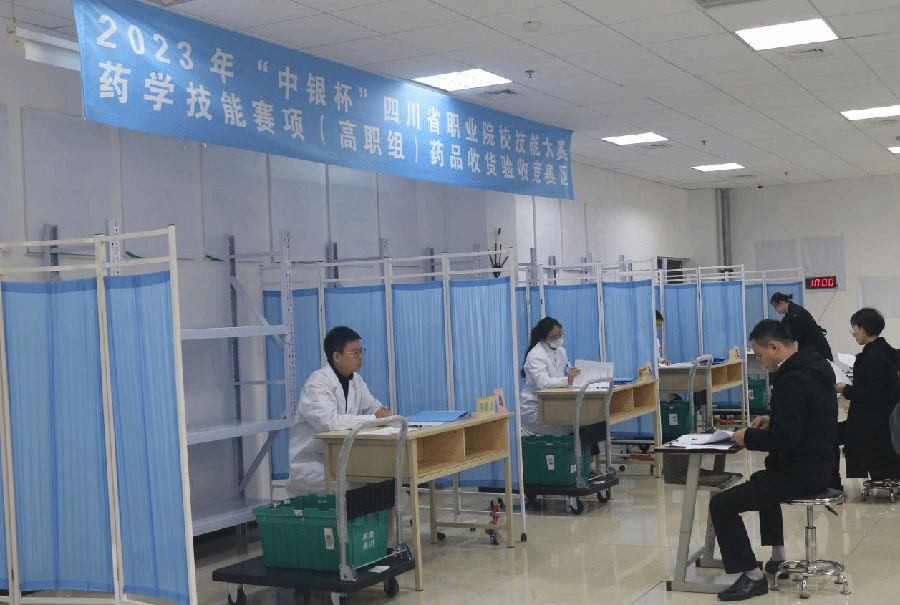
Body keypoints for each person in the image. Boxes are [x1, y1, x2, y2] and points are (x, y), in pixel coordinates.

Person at [709, 319, 837, 601]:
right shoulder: (813, 368)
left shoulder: (793, 379)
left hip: (801, 473)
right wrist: (772, 420)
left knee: (721, 504)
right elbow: (806, 420)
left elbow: (785, 440)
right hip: (819, 466)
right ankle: (778, 558)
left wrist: (747, 437)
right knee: (762, 480)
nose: (760, 361)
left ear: (775, 347)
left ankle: (752, 577)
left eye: (759, 354)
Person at [287, 326, 391, 496]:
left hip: (340, 461)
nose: (360, 357)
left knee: (386, 481)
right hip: (314, 467)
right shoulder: (316, 384)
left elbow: (372, 406)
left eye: (361, 352)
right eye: (354, 353)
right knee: (367, 486)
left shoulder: (355, 380)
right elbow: (330, 423)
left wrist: (380, 411)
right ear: (337, 356)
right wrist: (374, 418)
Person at [834, 308, 900, 484]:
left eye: (854, 329)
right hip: (885, 421)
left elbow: (872, 394)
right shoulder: (884, 351)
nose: (853, 334)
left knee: (831, 435)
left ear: (863, 328)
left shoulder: (873, 358)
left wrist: (844, 389)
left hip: (873, 427)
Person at [519, 316, 580, 436]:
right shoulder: (535, 355)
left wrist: (571, 373)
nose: (559, 339)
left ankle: (585, 448)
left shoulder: (561, 351)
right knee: (573, 425)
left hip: (553, 403)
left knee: (581, 421)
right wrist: (567, 380)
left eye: (560, 335)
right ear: (544, 338)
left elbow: (565, 369)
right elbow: (542, 383)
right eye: (554, 337)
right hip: (535, 407)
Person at [770, 292, 833, 360]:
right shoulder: (789, 315)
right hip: (810, 348)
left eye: (775, 307)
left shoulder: (796, 313)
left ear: (781, 303)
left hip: (817, 349)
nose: (776, 310)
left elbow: (797, 334)